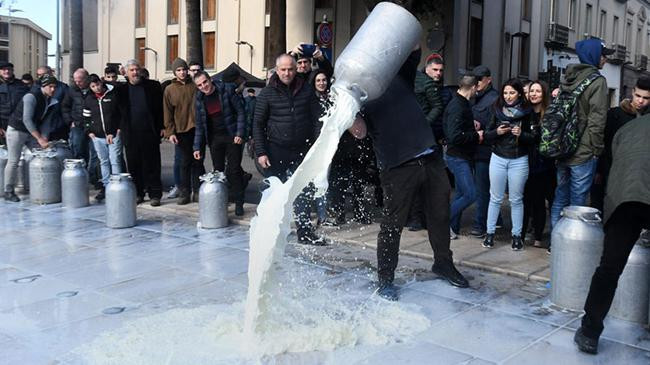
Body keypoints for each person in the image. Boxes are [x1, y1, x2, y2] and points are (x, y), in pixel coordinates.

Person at [349, 47, 469, 301]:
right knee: (393, 225)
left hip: (430, 157)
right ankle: (385, 279)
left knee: (440, 215)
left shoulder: (397, 76)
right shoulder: (358, 95)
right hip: (398, 167)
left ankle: (443, 263)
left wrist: (395, 22)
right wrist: (346, 108)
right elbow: (359, 132)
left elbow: (411, 48)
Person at [574, 115, 650, 355]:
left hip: (624, 200)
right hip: (634, 193)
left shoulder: (629, 127)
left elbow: (612, 162)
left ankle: (589, 332)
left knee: (609, 268)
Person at [253, 54, 323, 244]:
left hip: (302, 149)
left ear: (296, 69)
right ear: (277, 70)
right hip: (275, 151)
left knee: (303, 191)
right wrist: (261, 152)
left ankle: (305, 232)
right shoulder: (267, 93)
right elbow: (257, 124)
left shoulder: (306, 90)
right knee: (273, 194)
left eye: (290, 69)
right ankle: (269, 231)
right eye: (283, 69)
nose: (287, 73)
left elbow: (317, 118)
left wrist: (316, 145)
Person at [549, 38, 611, 231]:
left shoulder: (568, 77)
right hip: (583, 152)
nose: (605, 60)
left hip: (562, 147)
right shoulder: (597, 81)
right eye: (603, 55)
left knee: (560, 196)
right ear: (593, 55)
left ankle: (556, 242)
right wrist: (596, 150)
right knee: (578, 201)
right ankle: (571, 246)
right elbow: (597, 120)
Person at [482, 79, 534, 250]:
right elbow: (487, 135)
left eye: (512, 92)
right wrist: (497, 132)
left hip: (519, 159)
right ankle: (489, 234)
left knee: (516, 199)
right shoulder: (496, 109)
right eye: (505, 93)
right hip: (498, 157)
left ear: (519, 93)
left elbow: (535, 138)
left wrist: (522, 134)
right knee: (495, 198)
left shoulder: (527, 112)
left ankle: (516, 236)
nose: (508, 96)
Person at [591, 77, 650, 212]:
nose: (640, 101)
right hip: (611, 169)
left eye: (646, 98)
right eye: (638, 96)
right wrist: (599, 170)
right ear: (632, 92)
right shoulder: (615, 114)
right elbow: (603, 143)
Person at [192, 71, 247, 216]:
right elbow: (199, 125)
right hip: (215, 138)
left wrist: (239, 133)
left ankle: (239, 202)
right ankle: (222, 199)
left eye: (205, 82)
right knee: (218, 171)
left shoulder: (227, 89)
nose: (204, 86)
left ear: (210, 80)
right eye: (199, 85)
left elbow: (241, 112)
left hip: (231, 135)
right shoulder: (199, 99)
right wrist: (197, 147)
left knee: (233, 170)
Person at [4, 75, 59, 202]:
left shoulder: (51, 100)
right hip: (17, 129)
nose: (52, 90)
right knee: (13, 160)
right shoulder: (31, 97)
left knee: (42, 156)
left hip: (32, 132)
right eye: (50, 87)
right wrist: (39, 138)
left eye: (54, 87)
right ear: (43, 86)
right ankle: (8, 190)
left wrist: (44, 138)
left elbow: (46, 122)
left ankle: (42, 188)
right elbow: (27, 119)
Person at [116, 59, 164, 206]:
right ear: (126, 72)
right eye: (131, 70)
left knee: (153, 164)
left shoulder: (153, 86)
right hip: (131, 133)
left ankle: (155, 194)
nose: (135, 72)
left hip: (150, 131)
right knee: (134, 165)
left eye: (137, 69)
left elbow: (161, 109)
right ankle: (138, 193)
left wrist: (162, 127)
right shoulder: (121, 90)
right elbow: (116, 112)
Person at [443, 71, 483, 240]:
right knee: (470, 194)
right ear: (473, 87)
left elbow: (458, 129)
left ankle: (451, 229)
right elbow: (454, 136)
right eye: (477, 88)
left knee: (461, 194)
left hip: (461, 156)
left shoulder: (462, 103)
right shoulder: (457, 106)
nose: (477, 91)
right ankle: (442, 224)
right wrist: (477, 135)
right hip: (457, 157)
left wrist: (471, 126)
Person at [407, 53, 445, 231]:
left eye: (440, 70)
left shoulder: (429, 84)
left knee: (422, 179)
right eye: (435, 70)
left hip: (422, 137)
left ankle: (417, 217)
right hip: (411, 135)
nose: (438, 73)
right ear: (427, 67)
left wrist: (425, 123)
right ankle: (414, 217)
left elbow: (437, 107)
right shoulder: (419, 80)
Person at [164, 58, 204, 204]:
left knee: (198, 161)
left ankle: (198, 190)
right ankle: (184, 192)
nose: (182, 72)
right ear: (174, 72)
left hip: (197, 128)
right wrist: (170, 132)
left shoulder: (195, 85)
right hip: (181, 130)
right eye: (178, 70)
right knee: (184, 163)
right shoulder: (169, 89)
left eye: (184, 69)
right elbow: (167, 112)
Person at [522, 80, 555, 248]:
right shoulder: (524, 113)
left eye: (538, 91)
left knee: (542, 201)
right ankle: (523, 235)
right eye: (531, 91)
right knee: (528, 200)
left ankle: (538, 237)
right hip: (526, 162)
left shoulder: (549, 113)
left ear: (544, 94)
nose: (534, 94)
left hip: (545, 165)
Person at [470, 65, 500, 238]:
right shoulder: (475, 97)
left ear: (488, 79)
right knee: (483, 189)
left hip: (486, 151)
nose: (477, 82)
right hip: (475, 150)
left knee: (482, 190)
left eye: (480, 79)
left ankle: (480, 224)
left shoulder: (493, 99)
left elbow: (493, 126)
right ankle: (496, 221)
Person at [83, 74, 123, 201]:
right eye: (93, 86)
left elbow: (120, 114)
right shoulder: (89, 99)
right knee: (103, 161)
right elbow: (86, 117)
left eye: (98, 84)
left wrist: (117, 130)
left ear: (101, 82)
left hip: (113, 135)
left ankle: (117, 185)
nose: (97, 88)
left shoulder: (113, 95)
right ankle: (106, 186)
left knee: (115, 160)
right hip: (98, 136)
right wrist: (89, 131)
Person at [61, 68, 99, 187]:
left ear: (87, 79)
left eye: (80, 81)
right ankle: (80, 175)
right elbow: (65, 107)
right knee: (78, 149)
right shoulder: (72, 90)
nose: (78, 83)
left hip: (94, 126)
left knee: (95, 152)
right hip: (77, 125)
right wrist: (69, 121)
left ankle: (93, 176)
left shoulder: (94, 89)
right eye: (75, 80)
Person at [0, 62, 29, 144]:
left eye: (9, 69)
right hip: (2, 123)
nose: (6, 71)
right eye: (3, 70)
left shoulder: (21, 85)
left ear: (12, 71)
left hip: (18, 123)